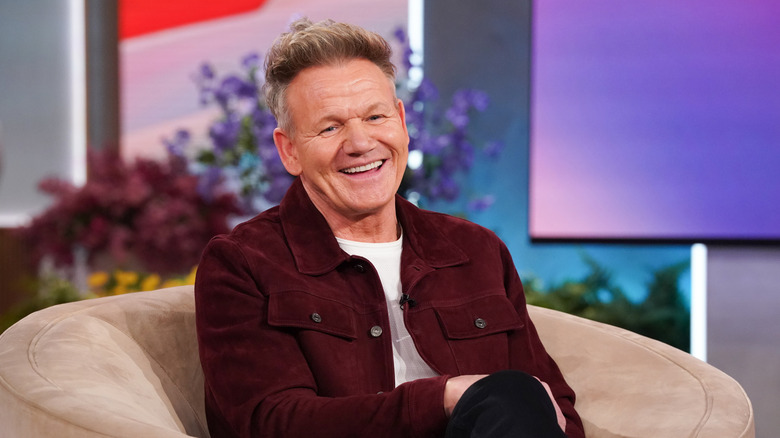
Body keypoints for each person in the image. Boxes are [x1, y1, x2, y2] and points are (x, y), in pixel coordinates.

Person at [195, 18, 585, 438]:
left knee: (516, 394)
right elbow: (268, 424)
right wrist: (444, 397)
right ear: (289, 150)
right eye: (330, 127)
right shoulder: (242, 264)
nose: (361, 143)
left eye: (375, 117)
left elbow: (556, 410)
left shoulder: (476, 251)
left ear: (401, 121)